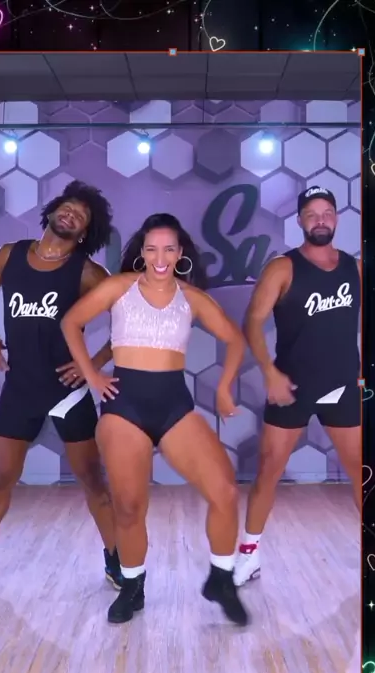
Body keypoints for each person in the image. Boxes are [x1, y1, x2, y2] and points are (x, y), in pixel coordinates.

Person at [61, 213, 250, 627]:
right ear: (142, 252)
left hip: (174, 406)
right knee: (129, 506)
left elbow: (235, 339)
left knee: (225, 491)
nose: (160, 258)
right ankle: (133, 586)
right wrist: (92, 375)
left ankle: (221, 579)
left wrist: (224, 387)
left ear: (180, 253)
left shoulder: (192, 297)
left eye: (168, 249)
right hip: (124, 406)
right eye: (151, 249)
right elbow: (70, 322)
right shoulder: (119, 287)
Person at [0, 181, 123, 589]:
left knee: (94, 483)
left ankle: (117, 560)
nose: (71, 213)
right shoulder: (9, 255)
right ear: (51, 211)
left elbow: (130, 319)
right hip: (20, 390)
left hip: (68, 393)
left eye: (82, 215)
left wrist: (92, 365)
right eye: (68, 206)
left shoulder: (88, 272)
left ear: (85, 232)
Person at [235, 186, 361, 586]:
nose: (320, 220)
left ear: (336, 217)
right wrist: (269, 372)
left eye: (327, 213)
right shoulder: (282, 268)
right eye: (312, 214)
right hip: (292, 387)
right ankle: (248, 555)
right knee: (268, 472)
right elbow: (253, 321)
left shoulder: (356, 268)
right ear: (300, 221)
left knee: (364, 473)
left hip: (343, 385)